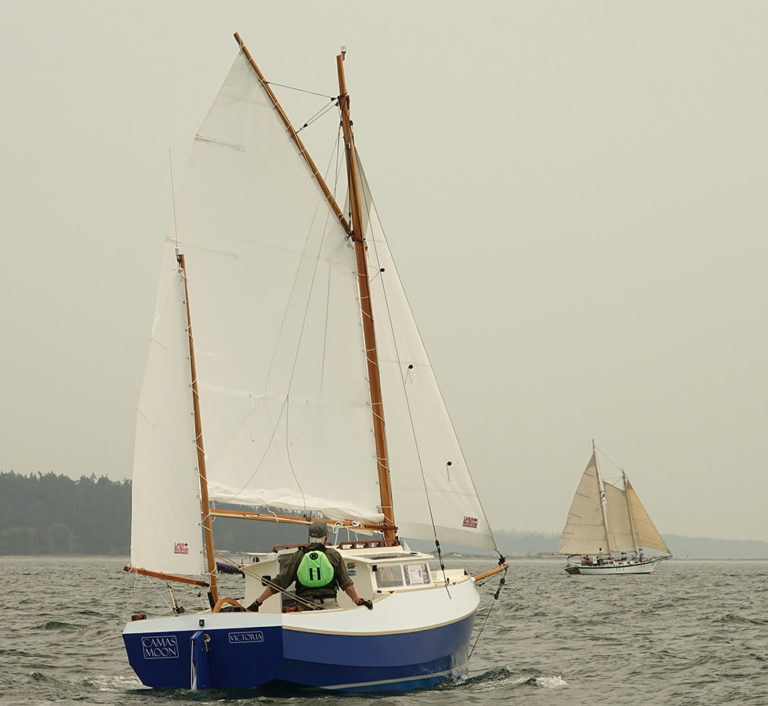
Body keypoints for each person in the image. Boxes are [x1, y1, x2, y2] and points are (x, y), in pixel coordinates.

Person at [247, 520, 373, 611]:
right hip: (329, 607)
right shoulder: (333, 555)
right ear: (326, 537)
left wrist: (258, 602)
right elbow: (347, 585)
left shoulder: (298, 556)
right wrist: (358, 601)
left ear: (309, 537)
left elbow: (279, 583)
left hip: (304, 607)